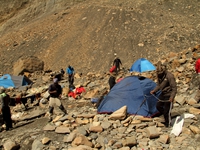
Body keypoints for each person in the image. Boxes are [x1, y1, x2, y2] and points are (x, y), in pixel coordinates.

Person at [150, 61, 177, 127]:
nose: (159, 74)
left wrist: (172, 97)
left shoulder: (169, 76)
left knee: (166, 110)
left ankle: (168, 124)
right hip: (163, 93)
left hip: (169, 94)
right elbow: (159, 85)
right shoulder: (159, 76)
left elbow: (174, 88)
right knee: (158, 106)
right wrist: (154, 91)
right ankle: (166, 115)